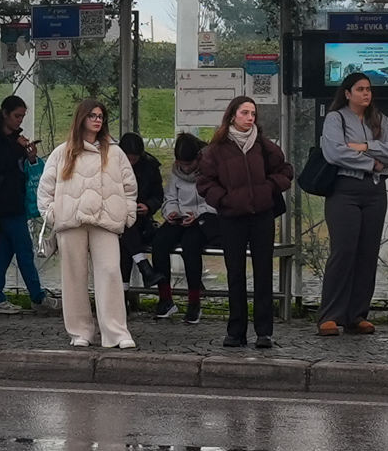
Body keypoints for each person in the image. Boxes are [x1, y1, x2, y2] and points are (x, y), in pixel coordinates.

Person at [40, 97, 140, 350]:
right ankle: (80, 331)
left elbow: (130, 187)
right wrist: (55, 214)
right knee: (73, 277)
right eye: (92, 116)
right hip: (71, 221)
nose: (97, 121)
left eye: (101, 116)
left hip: (105, 221)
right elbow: (45, 189)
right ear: (82, 119)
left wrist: (127, 214)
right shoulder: (62, 152)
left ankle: (116, 332)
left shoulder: (115, 152)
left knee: (110, 272)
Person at [194, 94, 293, 350]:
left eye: (253, 114)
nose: (249, 118)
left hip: (261, 215)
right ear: (232, 116)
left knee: (263, 272)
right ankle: (235, 330)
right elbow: (205, 182)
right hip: (232, 218)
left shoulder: (263, 146)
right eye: (244, 113)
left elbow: (284, 171)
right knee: (235, 273)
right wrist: (224, 200)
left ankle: (264, 332)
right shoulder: (215, 150)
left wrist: (267, 189)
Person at [313, 71, 388, 337]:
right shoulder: (335, 118)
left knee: (367, 253)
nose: (366, 93)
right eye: (360, 89)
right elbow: (335, 152)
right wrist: (371, 161)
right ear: (347, 93)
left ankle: (356, 315)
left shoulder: (380, 119)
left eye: (368, 89)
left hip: (374, 191)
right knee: (344, 251)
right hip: (345, 190)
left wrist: (364, 146)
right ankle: (330, 315)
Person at [0, 95, 49, 311]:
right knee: (23, 246)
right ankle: (37, 296)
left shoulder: (15, 137)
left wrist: (29, 156)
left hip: (14, 198)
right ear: (4, 113)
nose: (19, 121)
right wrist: (17, 148)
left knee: (5, 249)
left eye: (22, 117)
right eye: (16, 116)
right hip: (0, 199)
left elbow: (17, 165)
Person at [154, 131, 215, 320]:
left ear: (198, 158)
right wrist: (171, 212)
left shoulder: (211, 169)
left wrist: (196, 214)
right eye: (182, 165)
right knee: (159, 242)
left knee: (191, 244)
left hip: (206, 218)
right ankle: (165, 299)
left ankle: (194, 301)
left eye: (189, 165)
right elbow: (170, 197)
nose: (186, 169)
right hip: (181, 217)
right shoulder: (176, 174)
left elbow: (215, 199)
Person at [117, 130, 167, 305]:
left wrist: (148, 206)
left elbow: (158, 195)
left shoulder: (150, 167)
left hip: (139, 221)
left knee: (126, 239)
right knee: (125, 230)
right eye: (128, 159)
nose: (130, 163)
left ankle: (122, 298)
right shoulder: (110, 164)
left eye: (134, 159)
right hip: (115, 218)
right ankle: (144, 268)